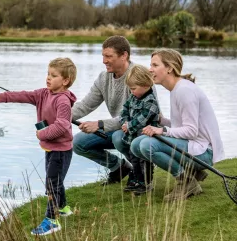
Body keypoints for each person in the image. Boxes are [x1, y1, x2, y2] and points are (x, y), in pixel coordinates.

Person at [0, 57, 77, 236]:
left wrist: (41, 134)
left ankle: (52, 220)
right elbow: (23, 95)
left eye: (54, 75)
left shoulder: (63, 101)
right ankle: (64, 208)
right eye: (48, 74)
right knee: (55, 180)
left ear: (65, 81)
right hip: (50, 148)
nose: (48, 78)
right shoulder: (43, 94)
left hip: (61, 151)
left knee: (52, 184)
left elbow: (62, 126)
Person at [131, 49, 224, 201]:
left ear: (169, 68)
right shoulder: (176, 89)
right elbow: (181, 127)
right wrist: (161, 121)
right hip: (192, 145)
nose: (150, 69)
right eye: (150, 65)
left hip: (203, 152)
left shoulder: (184, 90)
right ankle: (191, 172)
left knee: (147, 145)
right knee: (136, 144)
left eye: (155, 65)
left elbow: (191, 131)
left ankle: (186, 181)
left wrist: (161, 130)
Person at [72, 36, 148, 185]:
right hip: (118, 128)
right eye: (103, 56)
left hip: (140, 131)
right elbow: (86, 105)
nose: (104, 61)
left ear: (124, 55)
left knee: (119, 137)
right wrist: (60, 114)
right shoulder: (103, 78)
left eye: (108, 56)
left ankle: (140, 171)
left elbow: (134, 118)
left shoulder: (138, 76)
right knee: (78, 143)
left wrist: (99, 124)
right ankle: (119, 167)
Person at [119, 65, 160, 195]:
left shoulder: (151, 101)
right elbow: (124, 110)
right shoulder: (133, 97)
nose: (131, 91)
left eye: (133, 88)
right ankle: (137, 180)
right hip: (132, 137)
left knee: (144, 161)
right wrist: (124, 121)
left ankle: (146, 183)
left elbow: (142, 119)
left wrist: (129, 125)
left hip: (144, 138)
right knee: (134, 159)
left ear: (145, 84)